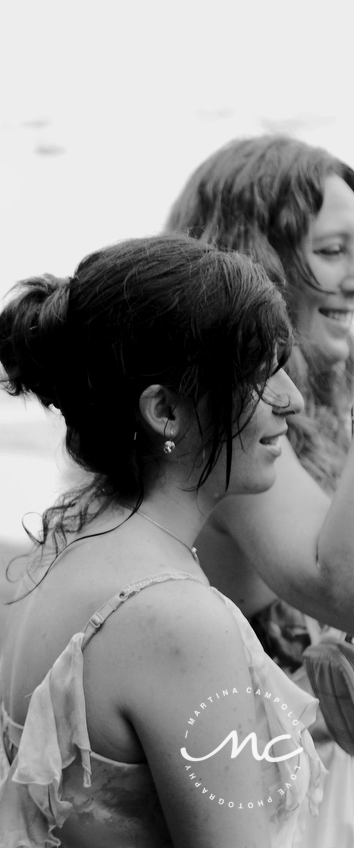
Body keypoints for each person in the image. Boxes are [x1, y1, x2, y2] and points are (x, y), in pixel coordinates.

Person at [0, 234, 324, 846]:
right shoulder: (178, 618)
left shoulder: (68, 540)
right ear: (164, 411)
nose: (292, 402)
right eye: (259, 376)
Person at [166, 134, 354, 845]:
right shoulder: (228, 422)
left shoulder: (323, 396)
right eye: (335, 253)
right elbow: (339, 586)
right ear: (263, 265)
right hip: (248, 785)